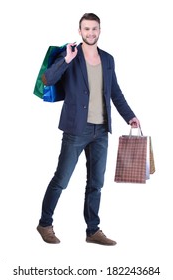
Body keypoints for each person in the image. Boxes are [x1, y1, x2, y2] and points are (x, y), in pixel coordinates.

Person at [37, 13, 140, 246]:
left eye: (94, 29)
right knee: (61, 180)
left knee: (96, 183)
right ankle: (44, 224)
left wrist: (130, 116)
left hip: (101, 131)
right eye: (86, 29)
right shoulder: (70, 54)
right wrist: (66, 60)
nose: (90, 33)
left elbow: (115, 92)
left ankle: (93, 230)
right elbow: (47, 79)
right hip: (75, 130)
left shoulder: (108, 59)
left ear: (100, 31)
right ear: (79, 31)